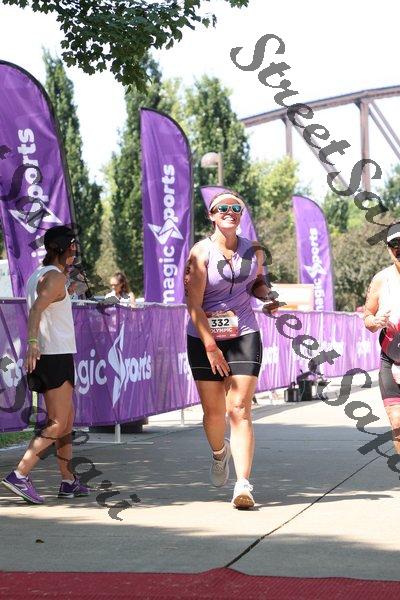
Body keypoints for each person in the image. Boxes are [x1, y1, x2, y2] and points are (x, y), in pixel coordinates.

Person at [184, 191, 278, 509]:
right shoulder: (200, 253)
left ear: (241, 215)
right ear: (211, 215)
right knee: (214, 413)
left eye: (236, 207)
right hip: (204, 338)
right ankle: (219, 453)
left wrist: (267, 296)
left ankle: (243, 485)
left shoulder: (253, 251)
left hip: (243, 333)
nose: (230, 211)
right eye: (222, 208)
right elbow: (193, 306)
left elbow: (256, 284)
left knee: (239, 408)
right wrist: (211, 346)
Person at [1, 225, 89, 504]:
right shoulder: (54, 278)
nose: (75, 251)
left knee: (67, 419)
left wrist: (70, 287)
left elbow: (50, 304)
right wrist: (32, 342)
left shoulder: (43, 275)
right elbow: (37, 309)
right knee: (58, 422)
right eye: (72, 247)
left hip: (53, 355)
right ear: (60, 247)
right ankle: (20, 474)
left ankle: (68, 481)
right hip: (54, 355)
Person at [364, 221, 400, 454]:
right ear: (388, 248)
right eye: (394, 244)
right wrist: (375, 321)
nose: (399, 248)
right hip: (391, 360)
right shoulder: (381, 279)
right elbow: (368, 317)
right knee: (397, 422)